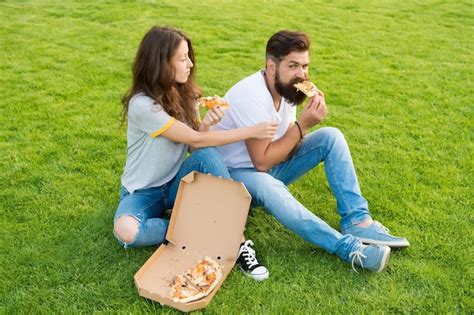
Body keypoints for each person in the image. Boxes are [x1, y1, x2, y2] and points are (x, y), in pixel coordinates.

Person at [213, 30, 409, 273]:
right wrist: (302, 125)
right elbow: (262, 162)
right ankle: (348, 249)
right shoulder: (251, 96)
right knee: (268, 184)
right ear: (271, 66)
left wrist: (305, 123)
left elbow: (285, 146)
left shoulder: (288, 90)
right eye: (293, 66)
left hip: (268, 167)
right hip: (234, 180)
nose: (302, 74)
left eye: (304, 66)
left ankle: (358, 221)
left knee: (331, 136)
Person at [113, 26, 276, 280]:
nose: (190, 64)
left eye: (189, 56)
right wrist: (251, 131)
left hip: (177, 183)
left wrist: (207, 122)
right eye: (182, 58)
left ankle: (237, 242)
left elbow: (195, 143)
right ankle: (199, 230)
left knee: (209, 155)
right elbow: (195, 138)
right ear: (162, 63)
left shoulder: (184, 94)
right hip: (143, 192)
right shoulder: (142, 106)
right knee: (126, 231)